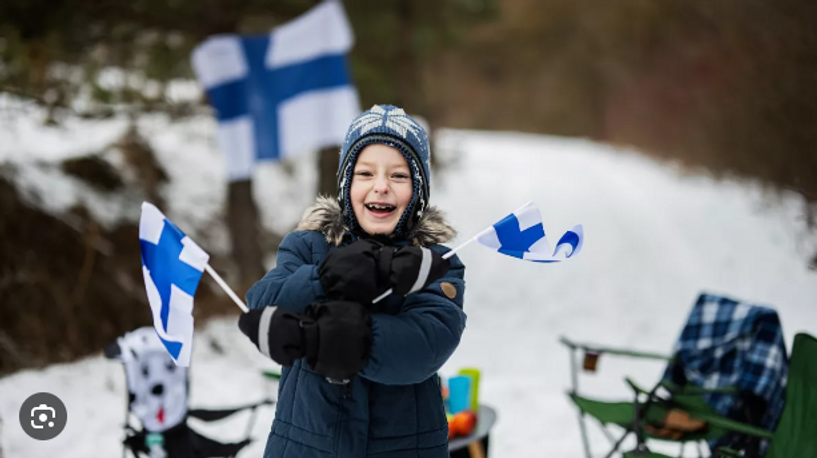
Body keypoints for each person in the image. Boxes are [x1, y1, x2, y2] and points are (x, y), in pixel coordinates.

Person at [238, 104, 467, 458]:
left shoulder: (436, 263)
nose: (381, 187)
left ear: (418, 190)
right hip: (304, 445)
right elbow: (263, 303)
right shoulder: (307, 245)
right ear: (346, 183)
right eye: (365, 173)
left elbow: (426, 344)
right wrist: (324, 277)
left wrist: (322, 337)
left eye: (399, 176)